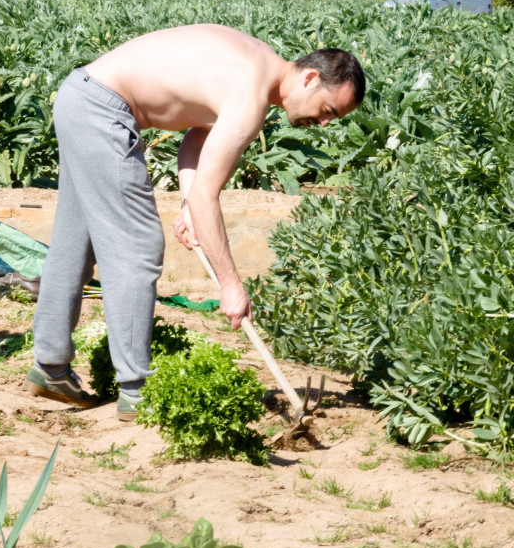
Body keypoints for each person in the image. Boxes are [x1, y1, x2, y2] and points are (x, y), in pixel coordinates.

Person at [23, 24, 365, 420]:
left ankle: (51, 368)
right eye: (328, 111)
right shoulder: (250, 96)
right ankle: (137, 391)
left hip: (80, 96)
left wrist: (187, 204)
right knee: (138, 249)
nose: (325, 124)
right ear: (310, 78)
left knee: (75, 242)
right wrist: (231, 286)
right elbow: (209, 197)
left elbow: (197, 135)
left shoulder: (256, 65)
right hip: (103, 109)